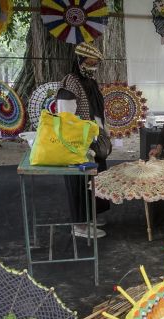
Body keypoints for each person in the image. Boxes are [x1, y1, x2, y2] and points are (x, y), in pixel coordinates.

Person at [56, 43, 110, 238]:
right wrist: (80, 143)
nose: (93, 66)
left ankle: (92, 215)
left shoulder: (90, 81)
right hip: (77, 143)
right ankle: (79, 225)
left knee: (95, 179)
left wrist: (102, 134)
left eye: (95, 63)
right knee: (80, 182)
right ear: (79, 61)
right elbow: (65, 118)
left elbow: (97, 111)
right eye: (89, 62)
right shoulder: (70, 83)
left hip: (94, 139)